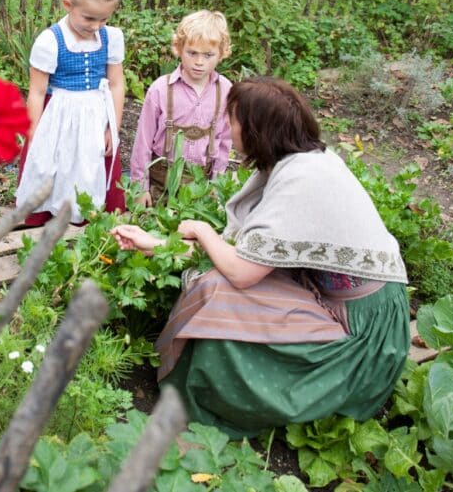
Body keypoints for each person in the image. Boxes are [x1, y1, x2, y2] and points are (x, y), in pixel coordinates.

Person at [110, 76, 410, 439]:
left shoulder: (302, 179)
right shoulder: (297, 163)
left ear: (256, 130)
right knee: (214, 286)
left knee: (220, 296)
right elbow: (234, 254)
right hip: (340, 298)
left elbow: (239, 272)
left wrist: (203, 231)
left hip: (364, 330)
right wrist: (153, 243)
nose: (228, 128)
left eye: (233, 120)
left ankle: (220, 399)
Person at [15, 0, 126, 225]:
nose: (96, 26)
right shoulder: (51, 41)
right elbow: (37, 92)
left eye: (104, 18)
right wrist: (34, 136)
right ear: (68, 5)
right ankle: (46, 214)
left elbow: (116, 84)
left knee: (90, 166)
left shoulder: (111, 38)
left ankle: (88, 219)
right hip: (60, 114)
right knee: (55, 165)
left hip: (96, 115)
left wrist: (114, 127)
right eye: (88, 18)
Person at [130, 10, 233, 207]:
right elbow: (142, 143)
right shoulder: (161, 89)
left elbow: (224, 143)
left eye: (208, 55)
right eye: (192, 53)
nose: (199, 62)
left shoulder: (225, 91)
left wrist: (217, 184)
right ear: (178, 48)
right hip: (160, 184)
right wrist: (139, 188)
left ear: (222, 53)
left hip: (201, 185)